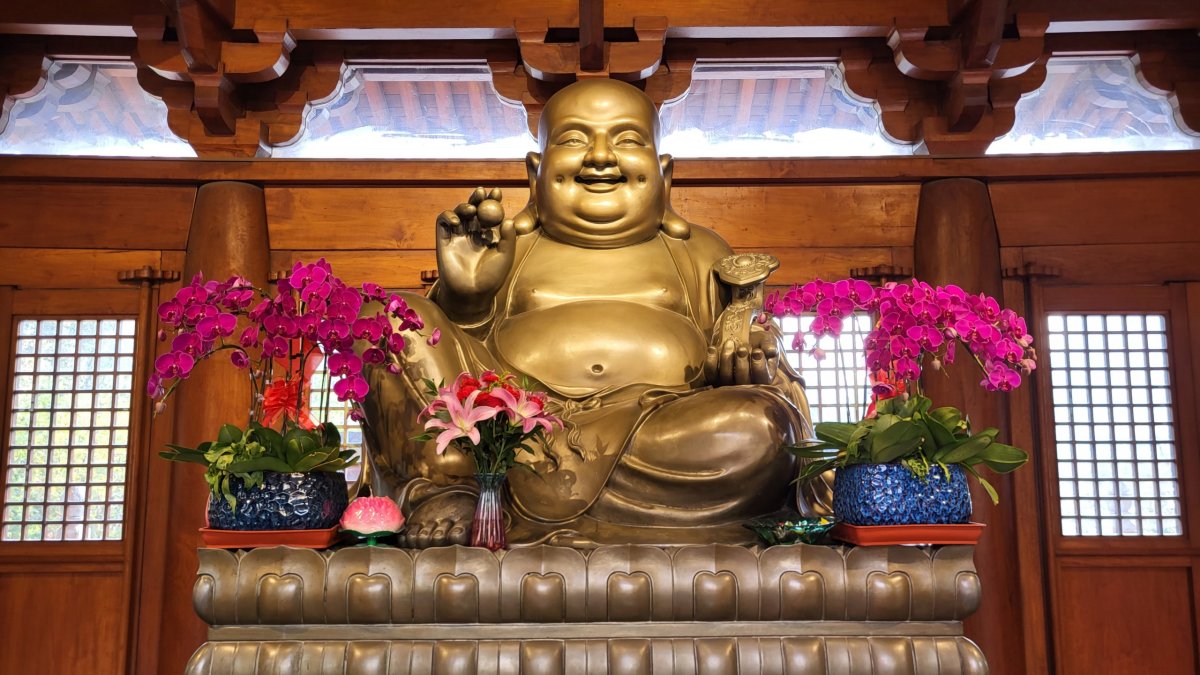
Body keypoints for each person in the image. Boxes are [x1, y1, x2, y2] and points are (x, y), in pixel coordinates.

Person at [359, 78, 819, 547]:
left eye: (627, 139)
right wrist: (467, 301)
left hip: (663, 436)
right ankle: (450, 489)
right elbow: (446, 364)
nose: (600, 157)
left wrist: (745, 360)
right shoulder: (505, 247)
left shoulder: (699, 252)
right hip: (505, 437)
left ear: (665, 173)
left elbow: (753, 355)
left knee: (759, 427)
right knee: (385, 318)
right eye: (574, 139)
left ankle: (503, 502)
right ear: (535, 172)